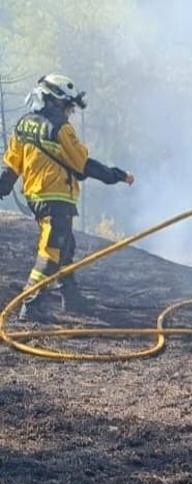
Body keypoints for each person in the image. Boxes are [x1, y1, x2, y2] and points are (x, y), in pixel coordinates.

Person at [0, 74, 133, 320]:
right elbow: (83, 165)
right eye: (67, 106)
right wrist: (117, 175)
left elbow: (10, 169)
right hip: (56, 197)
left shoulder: (22, 125)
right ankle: (31, 305)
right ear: (53, 100)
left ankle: (70, 296)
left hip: (37, 197)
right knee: (52, 250)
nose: (69, 112)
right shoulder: (60, 128)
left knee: (65, 246)